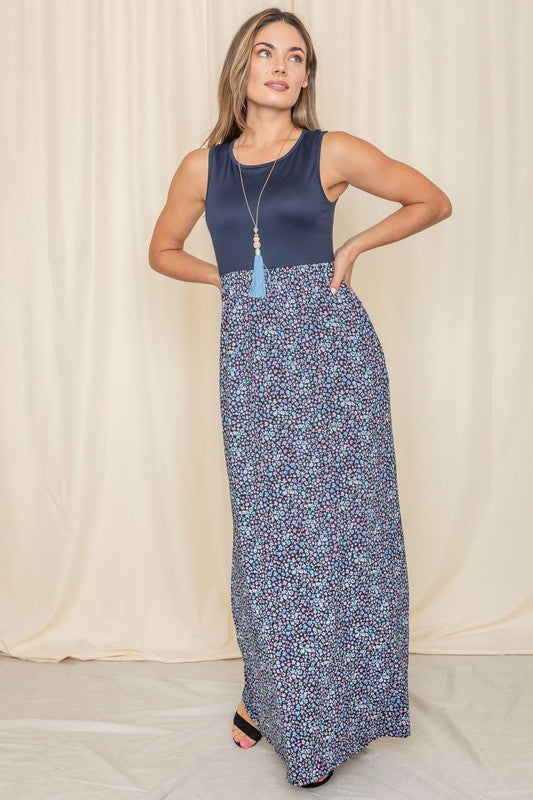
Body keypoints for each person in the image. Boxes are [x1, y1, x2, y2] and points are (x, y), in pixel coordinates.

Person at [149, 6, 452, 789]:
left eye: (295, 57)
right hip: (251, 364)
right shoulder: (200, 167)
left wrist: (352, 244)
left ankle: (340, 709)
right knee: (271, 539)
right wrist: (222, 280)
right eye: (265, 53)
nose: (280, 66)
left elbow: (430, 200)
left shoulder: (332, 150)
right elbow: (161, 249)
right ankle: (268, 693)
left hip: (332, 358)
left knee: (346, 535)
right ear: (241, 70)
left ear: (306, 75)